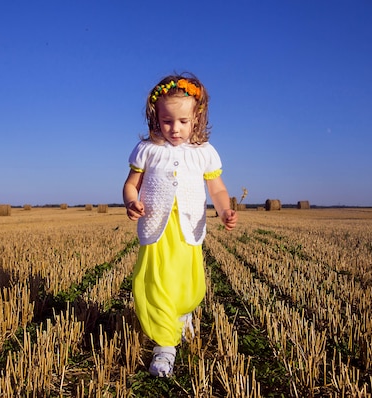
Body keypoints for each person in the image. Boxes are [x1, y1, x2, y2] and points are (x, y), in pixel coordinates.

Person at [122, 73, 238, 377]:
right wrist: (131, 202)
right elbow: (131, 185)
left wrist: (225, 210)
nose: (175, 129)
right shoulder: (147, 150)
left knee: (188, 286)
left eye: (183, 121)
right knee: (156, 285)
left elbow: (217, 190)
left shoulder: (204, 153)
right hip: (156, 228)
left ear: (197, 118)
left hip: (189, 229)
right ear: (156, 118)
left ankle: (181, 315)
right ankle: (165, 346)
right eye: (167, 121)